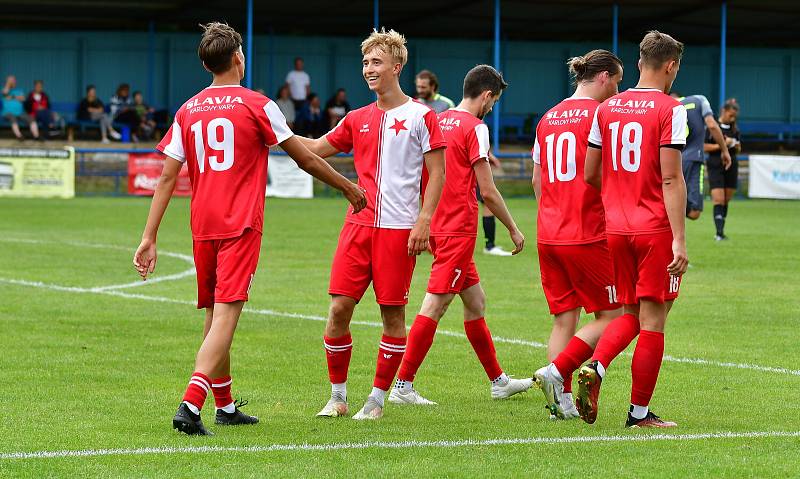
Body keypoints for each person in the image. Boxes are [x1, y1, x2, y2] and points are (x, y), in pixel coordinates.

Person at [132, 22, 366, 436]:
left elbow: (168, 177)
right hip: (239, 224)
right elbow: (305, 159)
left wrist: (149, 236)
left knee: (213, 314)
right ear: (238, 57)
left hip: (202, 225)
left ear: (206, 63)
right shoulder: (256, 104)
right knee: (228, 314)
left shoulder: (188, 109)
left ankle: (223, 405)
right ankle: (192, 402)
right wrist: (348, 187)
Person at [297, 28, 446, 421]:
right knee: (338, 309)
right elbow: (313, 149)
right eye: (365, 62)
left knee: (392, 316)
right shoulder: (356, 118)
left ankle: (377, 400)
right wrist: (273, 132)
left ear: (397, 66)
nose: (368, 69)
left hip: (399, 231)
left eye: (376, 62)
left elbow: (438, 172)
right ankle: (338, 396)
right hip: (358, 227)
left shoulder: (422, 116)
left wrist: (424, 220)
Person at [389, 65, 532, 407]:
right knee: (435, 304)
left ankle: (499, 382)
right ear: (486, 95)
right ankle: (402, 385)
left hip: (436, 223)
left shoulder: (437, 120)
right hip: (458, 228)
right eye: (493, 101)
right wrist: (513, 228)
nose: (492, 107)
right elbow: (489, 191)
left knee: (476, 302)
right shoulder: (476, 127)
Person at [577, 31, 689, 428]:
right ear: (671, 65)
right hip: (653, 228)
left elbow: (590, 173)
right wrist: (678, 238)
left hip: (617, 228)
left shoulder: (606, 109)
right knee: (654, 319)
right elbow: (672, 180)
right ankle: (639, 413)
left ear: (640, 61)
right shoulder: (671, 109)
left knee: (630, 312)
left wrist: (620, 195)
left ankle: (598, 365)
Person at [530, 50, 625, 420]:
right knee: (615, 316)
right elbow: (610, 173)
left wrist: (554, 211)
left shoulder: (548, 117)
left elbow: (538, 179)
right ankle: (558, 374)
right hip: (587, 231)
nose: (618, 92)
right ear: (602, 76)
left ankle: (561, 403)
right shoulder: (602, 115)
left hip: (549, 232)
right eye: (616, 82)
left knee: (564, 319)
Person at [670, 92, 730, 220]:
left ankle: (667, 207)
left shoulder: (672, 105)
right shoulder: (700, 99)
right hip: (693, 159)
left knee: (675, 199)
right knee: (694, 211)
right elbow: (712, 125)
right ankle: (666, 207)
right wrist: (725, 150)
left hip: (673, 161)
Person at [705, 99, 741, 240]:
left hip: (731, 164)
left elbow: (738, 148)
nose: (732, 118)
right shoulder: (712, 126)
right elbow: (704, 146)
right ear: (724, 111)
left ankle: (721, 231)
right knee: (718, 199)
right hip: (715, 164)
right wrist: (722, 145)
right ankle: (718, 233)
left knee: (726, 199)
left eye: (734, 116)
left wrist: (736, 146)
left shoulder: (735, 129)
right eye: (730, 115)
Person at [2, 75, 40, 141]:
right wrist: (8, 84)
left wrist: (11, 97)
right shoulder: (3, 89)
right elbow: (5, 93)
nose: (12, 81)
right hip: (7, 113)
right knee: (13, 118)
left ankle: (36, 136)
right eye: (10, 80)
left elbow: (23, 98)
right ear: (7, 81)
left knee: (31, 119)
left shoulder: (19, 90)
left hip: (20, 113)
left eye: (13, 80)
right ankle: (19, 136)